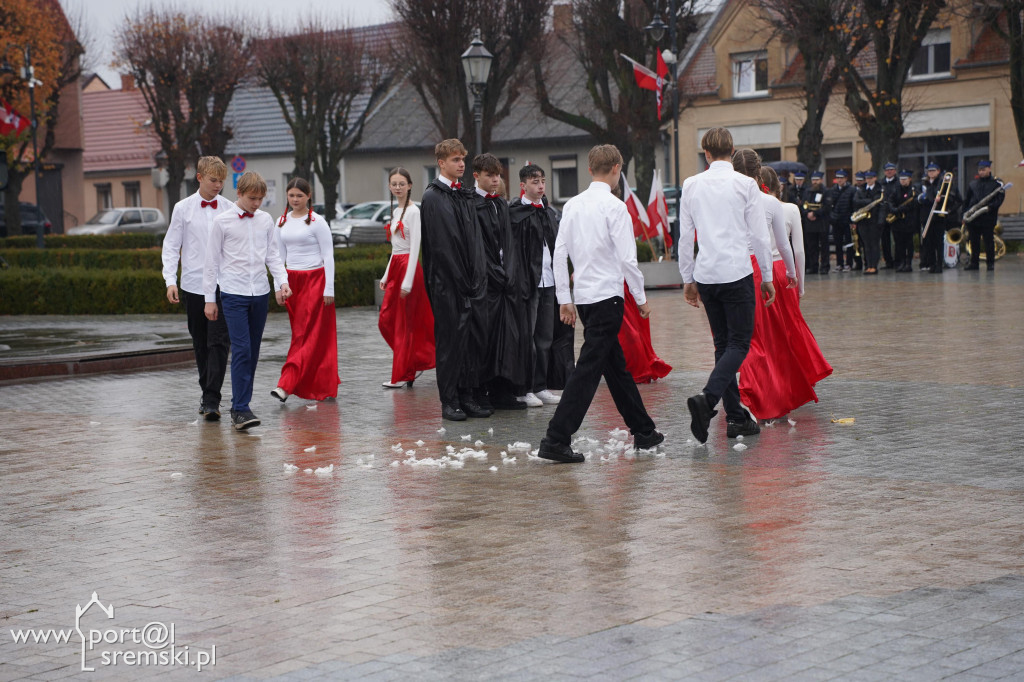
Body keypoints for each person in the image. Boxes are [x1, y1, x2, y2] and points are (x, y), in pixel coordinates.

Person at [538, 144, 662, 463]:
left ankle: (644, 430)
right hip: (608, 297)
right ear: (617, 168)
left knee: (614, 366)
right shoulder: (615, 206)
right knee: (589, 369)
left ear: (590, 169)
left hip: (585, 299)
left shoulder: (573, 205)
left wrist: (565, 298)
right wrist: (642, 298)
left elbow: (560, 254)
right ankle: (556, 437)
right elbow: (627, 259)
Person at [678, 128, 775, 445]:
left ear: (706, 153)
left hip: (707, 273)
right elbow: (760, 236)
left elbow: (685, 237)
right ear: (731, 151)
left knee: (723, 345)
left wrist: (687, 278)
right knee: (738, 344)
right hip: (736, 271)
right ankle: (708, 399)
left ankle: (735, 416)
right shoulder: (745, 184)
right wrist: (768, 276)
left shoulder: (691, 185)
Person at [738, 166, 832, 422]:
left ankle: (768, 386)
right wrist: (799, 283)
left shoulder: (743, 202)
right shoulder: (788, 208)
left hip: (748, 267)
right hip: (780, 268)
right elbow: (796, 249)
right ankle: (797, 377)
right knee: (789, 328)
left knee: (762, 333)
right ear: (778, 185)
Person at [203, 171, 291, 430]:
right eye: (252, 198)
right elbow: (211, 263)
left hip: (260, 293)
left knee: (252, 352)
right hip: (232, 293)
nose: (256, 204)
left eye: (261, 199)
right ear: (239, 193)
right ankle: (240, 409)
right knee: (241, 349)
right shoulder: (222, 222)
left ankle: (240, 405)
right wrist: (210, 299)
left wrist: (281, 283)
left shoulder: (265, 220)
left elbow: (273, 256)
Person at [419, 139, 490, 421]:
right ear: (441, 163)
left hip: (472, 284)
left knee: (472, 342)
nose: (461, 164)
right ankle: (449, 400)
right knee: (451, 343)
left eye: (463, 159)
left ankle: (468, 395)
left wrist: (477, 276)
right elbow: (441, 246)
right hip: (448, 285)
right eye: (455, 160)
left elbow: (473, 240)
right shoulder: (434, 197)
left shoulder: (463, 195)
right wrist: (459, 280)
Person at [161, 156, 234, 421]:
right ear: (200, 177)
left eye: (222, 181)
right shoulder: (182, 208)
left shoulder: (229, 208)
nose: (218, 186)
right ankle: (207, 392)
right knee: (200, 341)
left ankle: (213, 398)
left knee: (219, 341)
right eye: (214, 180)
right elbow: (171, 245)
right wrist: (170, 279)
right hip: (192, 284)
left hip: (223, 283)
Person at [268, 178, 339, 403]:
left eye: (300, 195)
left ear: (309, 196)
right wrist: (278, 286)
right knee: (305, 335)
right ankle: (323, 382)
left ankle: (286, 384)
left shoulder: (317, 222)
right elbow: (278, 257)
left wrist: (329, 288)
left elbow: (328, 256)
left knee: (306, 335)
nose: (295, 199)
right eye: (291, 195)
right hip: (292, 283)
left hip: (316, 281)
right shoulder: (280, 221)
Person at [473, 152, 528, 409]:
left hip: (507, 283)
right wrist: (494, 272)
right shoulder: (472, 205)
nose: (495, 180)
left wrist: (511, 272)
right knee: (487, 337)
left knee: (508, 337)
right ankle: (484, 391)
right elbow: (476, 247)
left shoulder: (500, 205)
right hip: (487, 284)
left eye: (498, 175)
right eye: (490, 175)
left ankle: (504, 390)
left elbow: (509, 243)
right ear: (477, 176)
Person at [508, 164, 562, 407]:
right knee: (526, 338)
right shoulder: (515, 213)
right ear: (523, 185)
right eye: (534, 181)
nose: (540, 186)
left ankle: (540, 385)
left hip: (548, 282)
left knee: (545, 337)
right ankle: (524, 387)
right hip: (526, 284)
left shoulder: (549, 212)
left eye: (542, 181)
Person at [378, 167, 436, 388]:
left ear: (410, 186)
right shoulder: (395, 212)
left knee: (404, 323)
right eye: (394, 184)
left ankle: (403, 373)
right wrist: (386, 275)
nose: (398, 187)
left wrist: (408, 281)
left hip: (408, 270)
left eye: (402, 183)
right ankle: (410, 362)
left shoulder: (414, 212)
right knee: (386, 320)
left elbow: (414, 248)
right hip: (396, 268)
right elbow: (395, 248)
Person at [918, 162, 962, 274]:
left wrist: (941, 200)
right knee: (929, 242)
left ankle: (939, 264)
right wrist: (923, 198)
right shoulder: (924, 184)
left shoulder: (944, 183)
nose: (931, 173)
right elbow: (919, 199)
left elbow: (952, 199)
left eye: (933, 171)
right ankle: (931, 264)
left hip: (938, 216)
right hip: (927, 216)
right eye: (929, 171)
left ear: (938, 171)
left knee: (938, 242)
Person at [963, 160, 1005, 271]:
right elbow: (967, 200)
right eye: (979, 170)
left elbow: (999, 199)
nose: (981, 172)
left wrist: (989, 207)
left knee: (988, 241)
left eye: (983, 169)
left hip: (987, 217)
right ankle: (974, 263)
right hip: (974, 218)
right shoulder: (973, 184)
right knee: (974, 241)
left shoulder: (996, 183)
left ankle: (990, 264)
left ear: (989, 169)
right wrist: (965, 213)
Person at [853, 169, 884, 274]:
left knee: (874, 244)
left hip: (874, 221)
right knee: (866, 244)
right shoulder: (861, 190)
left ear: (875, 178)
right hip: (863, 221)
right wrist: (869, 202)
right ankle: (868, 265)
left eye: (871, 178)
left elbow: (881, 205)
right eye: (867, 178)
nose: (869, 180)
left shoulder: (879, 190)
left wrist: (881, 221)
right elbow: (856, 201)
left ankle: (874, 265)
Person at [890, 170, 919, 272]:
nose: (903, 181)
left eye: (905, 179)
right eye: (901, 179)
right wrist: (893, 209)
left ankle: (908, 263)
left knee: (908, 243)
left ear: (910, 179)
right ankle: (901, 262)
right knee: (899, 244)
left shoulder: (913, 189)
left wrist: (901, 209)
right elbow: (890, 200)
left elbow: (914, 203)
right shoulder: (896, 189)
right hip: (898, 221)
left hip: (909, 221)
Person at [802, 171, 830, 274]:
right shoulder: (807, 191)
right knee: (812, 246)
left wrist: (815, 213)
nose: (815, 182)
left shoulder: (826, 191)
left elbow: (827, 206)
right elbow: (803, 205)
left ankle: (825, 266)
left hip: (821, 222)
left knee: (824, 246)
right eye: (813, 180)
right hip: (810, 223)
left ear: (821, 180)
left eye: (817, 180)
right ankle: (813, 266)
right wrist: (807, 213)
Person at [828, 169, 856, 272]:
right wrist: (832, 217)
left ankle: (849, 263)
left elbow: (854, 205)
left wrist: (852, 220)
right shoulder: (832, 190)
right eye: (838, 178)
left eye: (841, 178)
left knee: (849, 243)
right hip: (836, 221)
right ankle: (839, 264)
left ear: (845, 179)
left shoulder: (852, 190)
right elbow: (830, 205)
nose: (839, 180)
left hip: (847, 221)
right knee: (838, 243)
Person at [880, 161, 899, 268]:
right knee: (885, 240)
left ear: (895, 171)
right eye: (887, 170)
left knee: (897, 239)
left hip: (895, 213)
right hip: (883, 214)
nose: (889, 172)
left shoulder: (898, 182)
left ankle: (898, 261)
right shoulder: (881, 183)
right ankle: (888, 261)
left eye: (891, 170)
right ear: (884, 172)